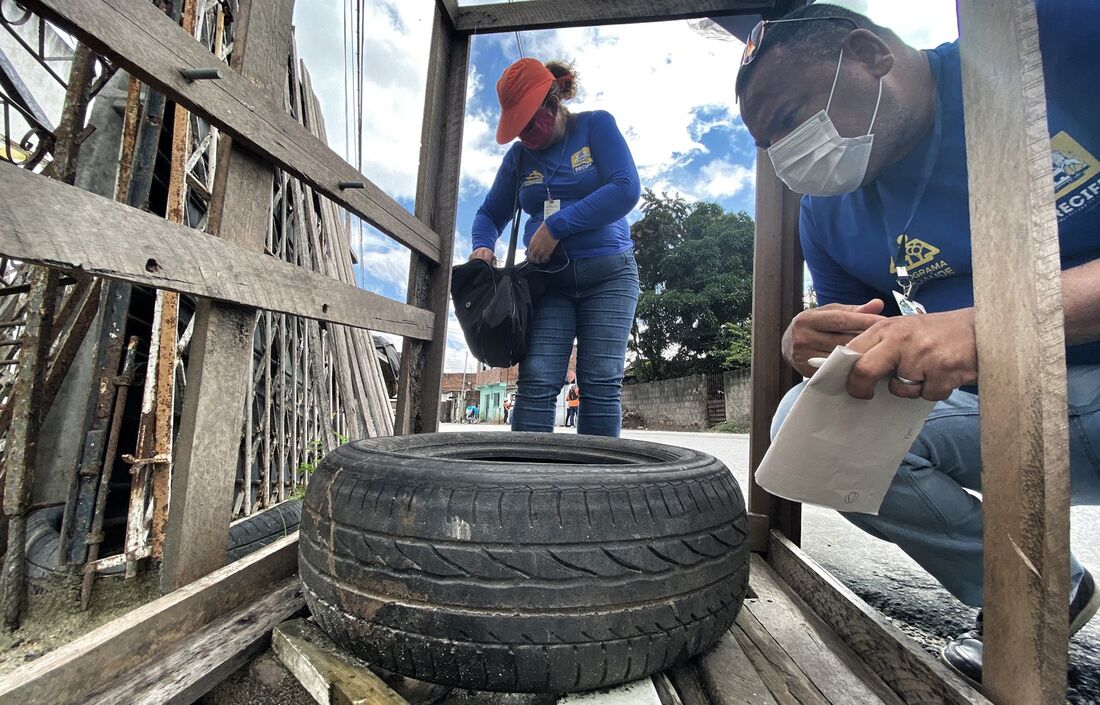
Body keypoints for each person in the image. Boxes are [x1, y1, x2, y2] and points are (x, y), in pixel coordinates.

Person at [734, 2, 1100, 683]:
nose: (788, 158)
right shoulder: (829, 215)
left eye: (790, 122)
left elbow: (972, 333)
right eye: (769, 148)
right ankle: (1032, 587)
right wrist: (826, 351)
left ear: (870, 55)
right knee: (813, 425)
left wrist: (988, 328)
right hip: (1011, 408)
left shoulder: (1051, 43)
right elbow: (870, 340)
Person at [470, 58, 641, 438]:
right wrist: (482, 246)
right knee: (537, 381)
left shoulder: (596, 126)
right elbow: (488, 214)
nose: (526, 135)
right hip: (548, 285)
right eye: (518, 129)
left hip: (609, 276)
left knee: (599, 383)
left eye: (531, 123)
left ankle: (595, 489)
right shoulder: (517, 159)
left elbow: (625, 187)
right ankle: (526, 487)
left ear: (553, 100)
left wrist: (557, 226)